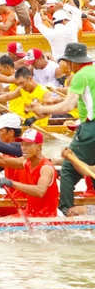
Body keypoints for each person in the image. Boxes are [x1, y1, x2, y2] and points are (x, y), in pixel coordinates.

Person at [29, 43, 95, 215]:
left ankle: (65, 209)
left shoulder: (80, 75)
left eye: (66, 62)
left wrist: (43, 110)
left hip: (90, 127)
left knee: (68, 168)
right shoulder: (93, 71)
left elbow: (68, 105)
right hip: (89, 126)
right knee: (92, 166)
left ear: (73, 62)